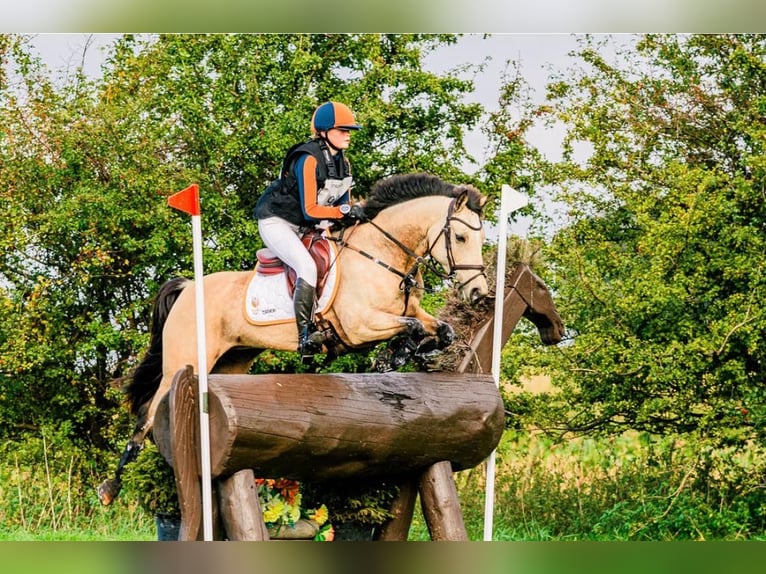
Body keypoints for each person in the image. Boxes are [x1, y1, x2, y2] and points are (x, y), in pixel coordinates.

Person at [254, 101, 366, 359]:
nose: (348, 134)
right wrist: (344, 212)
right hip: (277, 222)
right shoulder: (307, 159)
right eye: (342, 130)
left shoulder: (343, 164)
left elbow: (342, 205)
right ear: (324, 132)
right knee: (306, 267)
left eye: (349, 130)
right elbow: (311, 209)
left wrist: (354, 213)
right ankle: (304, 336)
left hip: (307, 226)